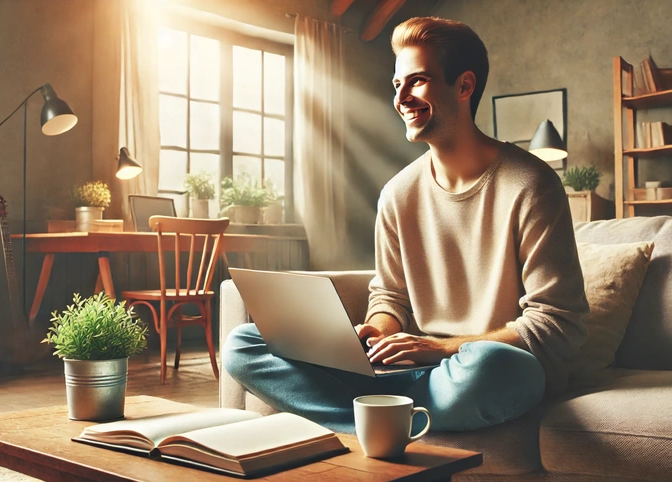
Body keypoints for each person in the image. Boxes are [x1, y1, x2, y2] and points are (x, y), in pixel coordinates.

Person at [223, 16, 589, 434]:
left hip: (476, 368)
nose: (402, 98)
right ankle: (389, 415)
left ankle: (373, 416)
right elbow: (390, 296)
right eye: (397, 85)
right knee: (244, 344)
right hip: (406, 372)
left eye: (416, 81)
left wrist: (439, 349)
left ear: (464, 86)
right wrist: (373, 333)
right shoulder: (398, 193)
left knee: (497, 367)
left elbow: (558, 325)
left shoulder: (531, 184)